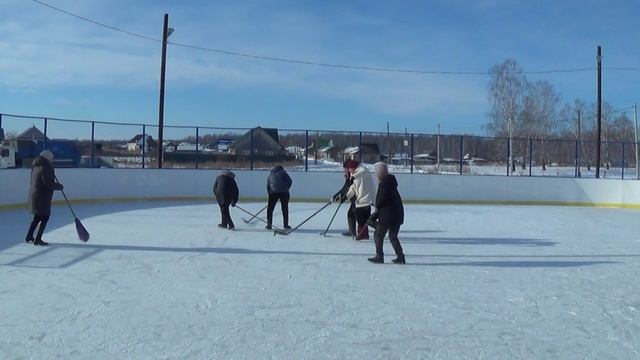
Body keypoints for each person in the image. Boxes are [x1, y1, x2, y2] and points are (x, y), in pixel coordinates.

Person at [368, 162, 405, 264]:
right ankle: (400, 256)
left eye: (376, 172)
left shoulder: (384, 185)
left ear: (380, 174)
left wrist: (374, 209)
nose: (375, 175)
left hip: (388, 217)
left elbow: (380, 202)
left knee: (378, 235)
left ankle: (379, 256)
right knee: (393, 236)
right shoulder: (391, 183)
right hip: (397, 215)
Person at [26, 150, 63, 246]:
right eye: (51, 158)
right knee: (45, 217)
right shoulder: (45, 168)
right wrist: (59, 186)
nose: (52, 160)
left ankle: (29, 236)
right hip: (41, 197)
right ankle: (38, 239)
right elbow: (48, 184)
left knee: (37, 217)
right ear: (47, 158)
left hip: (36, 195)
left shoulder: (36, 166)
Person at [344, 160, 375, 240]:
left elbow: (362, 172)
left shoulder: (363, 170)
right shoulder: (353, 175)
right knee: (365, 219)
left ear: (353, 167)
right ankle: (365, 233)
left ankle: (363, 234)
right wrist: (346, 196)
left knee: (361, 217)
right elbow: (353, 188)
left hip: (366, 198)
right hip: (361, 199)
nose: (348, 170)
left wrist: (353, 177)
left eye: (349, 168)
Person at [332, 161, 356, 237]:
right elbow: (344, 188)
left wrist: (342, 197)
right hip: (354, 199)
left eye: (345, 169)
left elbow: (348, 189)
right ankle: (352, 231)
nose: (344, 171)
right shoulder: (349, 176)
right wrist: (336, 196)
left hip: (358, 199)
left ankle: (353, 232)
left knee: (352, 214)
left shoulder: (353, 176)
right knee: (352, 214)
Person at [266, 165, 292, 230]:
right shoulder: (284, 173)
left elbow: (268, 186)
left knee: (270, 209)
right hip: (284, 192)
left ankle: (269, 225)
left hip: (273, 192)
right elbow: (290, 181)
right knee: (284, 208)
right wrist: (286, 188)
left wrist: (270, 194)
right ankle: (285, 225)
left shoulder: (270, 175)